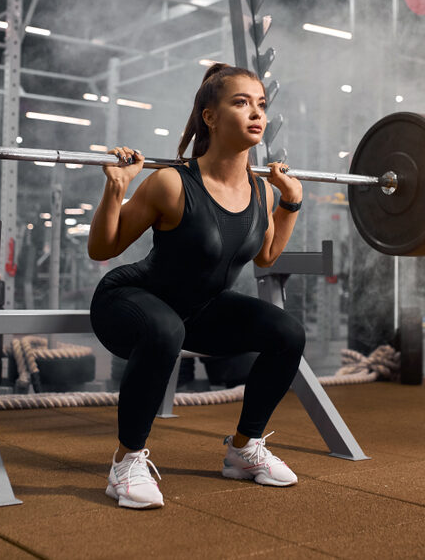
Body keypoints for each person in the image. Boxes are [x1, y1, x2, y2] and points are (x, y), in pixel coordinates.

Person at [88, 63, 305, 509]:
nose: (256, 113)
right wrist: (116, 189)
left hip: (198, 311)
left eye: (261, 104)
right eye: (241, 102)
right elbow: (102, 247)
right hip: (129, 301)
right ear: (210, 116)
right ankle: (126, 462)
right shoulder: (171, 182)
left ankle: (244, 449)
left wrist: (292, 201)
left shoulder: (260, 191)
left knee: (287, 334)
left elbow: (266, 256)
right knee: (165, 329)